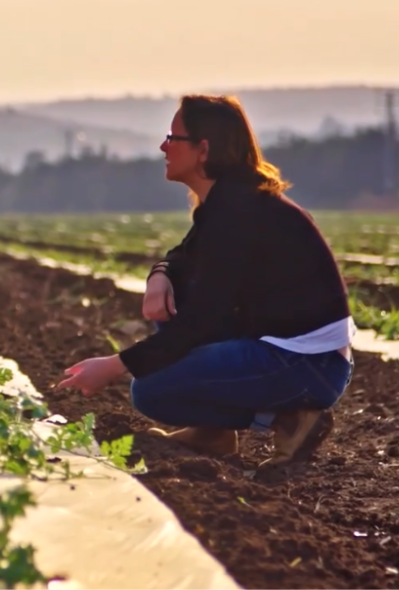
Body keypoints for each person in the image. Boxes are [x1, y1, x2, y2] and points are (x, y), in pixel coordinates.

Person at [58, 94, 354, 471]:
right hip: (299, 357)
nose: (163, 146)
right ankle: (211, 432)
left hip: (305, 365)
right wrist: (161, 273)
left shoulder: (237, 211)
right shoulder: (226, 202)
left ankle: (288, 420)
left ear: (203, 150)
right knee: (176, 299)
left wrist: (116, 364)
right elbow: (186, 254)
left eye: (173, 137)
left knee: (151, 390)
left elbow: (203, 322)